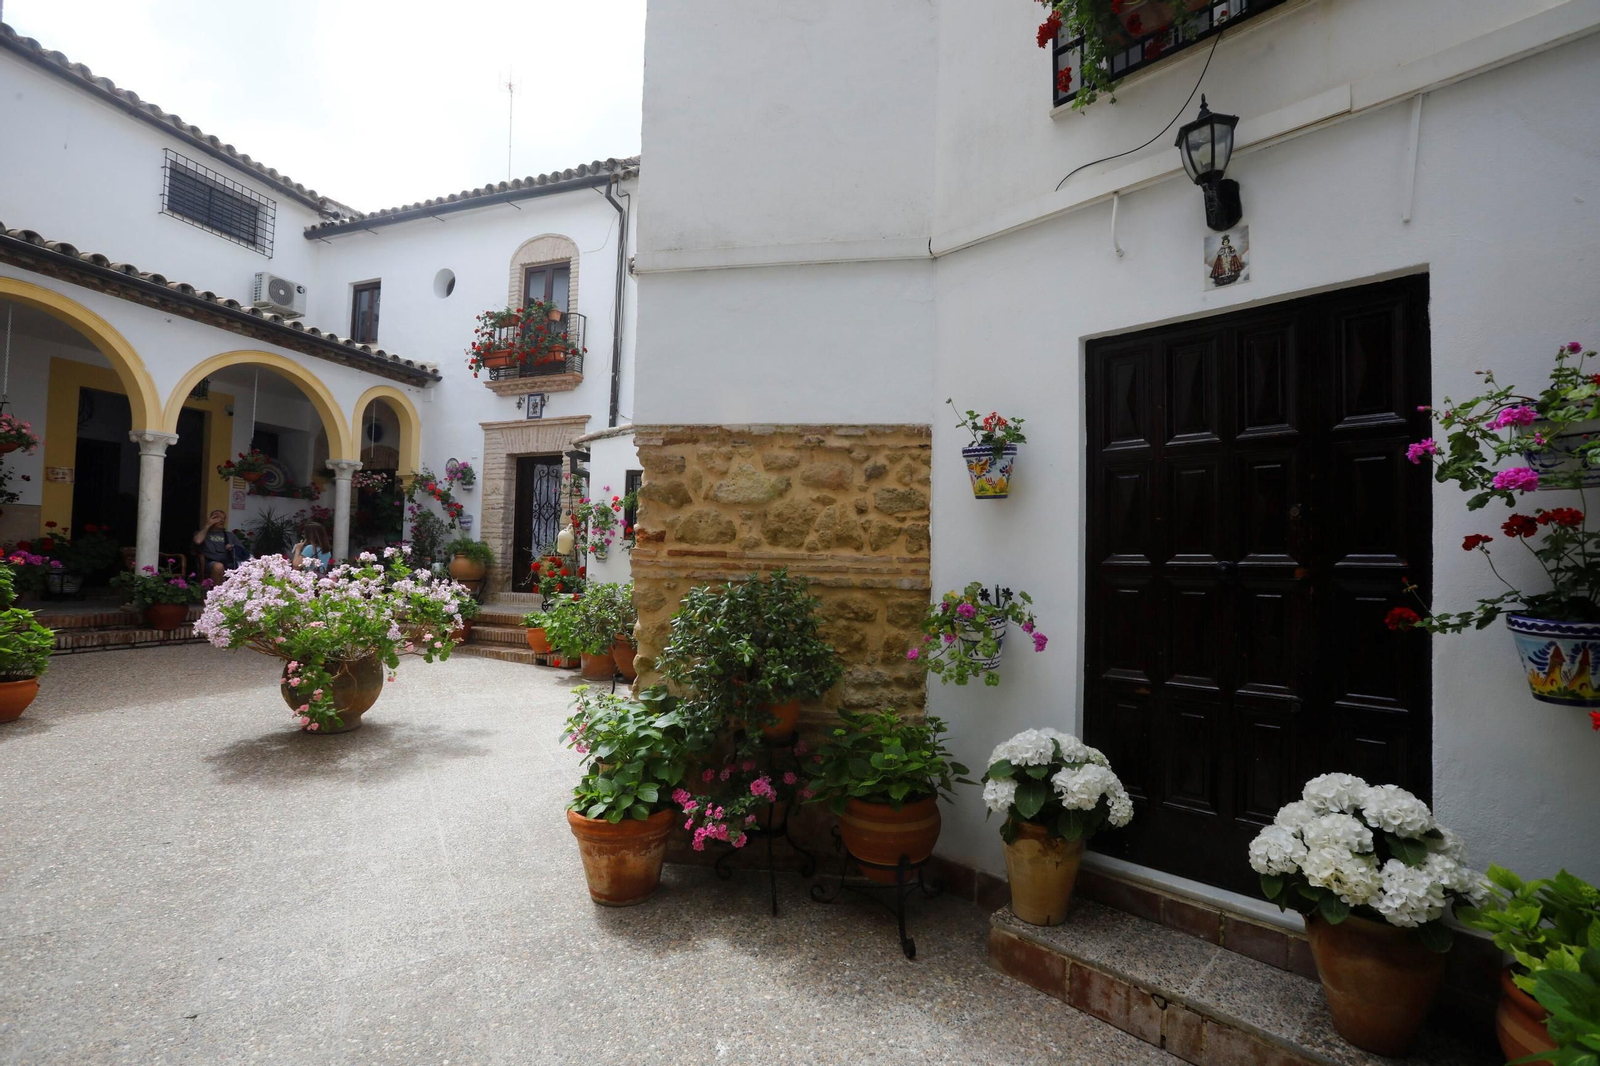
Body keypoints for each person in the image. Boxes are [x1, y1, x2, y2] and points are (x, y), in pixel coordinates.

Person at [193, 510, 246, 583]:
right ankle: (218, 590)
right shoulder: (202, 533)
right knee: (218, 566)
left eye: (223, 518)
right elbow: (198, 541)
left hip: (228, 563)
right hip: (210, 563)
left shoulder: (230, 535)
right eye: (218, 518)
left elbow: (243, 552)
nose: (222, 520)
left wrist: (233, 548)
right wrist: (207, 525)